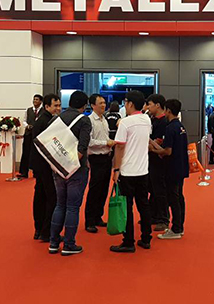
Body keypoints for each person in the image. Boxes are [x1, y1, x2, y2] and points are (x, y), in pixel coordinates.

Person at [49, 91, 92, 256]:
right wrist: (72, 164)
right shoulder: (84, 120)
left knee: (60, 204)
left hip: (58, 168)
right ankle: (69, 244)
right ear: (84, 105)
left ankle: (53, 243)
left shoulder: (56, 119)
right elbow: (82, 147)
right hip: (76, 169)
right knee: (72, 207)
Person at [110, 91, 153, 253]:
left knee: (126, 207)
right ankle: (146, 238)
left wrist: (116, 169)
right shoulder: (147, 120)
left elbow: (119, 147)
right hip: (143, 170)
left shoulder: (126, 123)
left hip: (127, 171)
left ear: (130, 104)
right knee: (144, 205)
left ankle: (128, 241)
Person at [151, 99, 189, 240]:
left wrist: (153, 149)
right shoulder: (180, 126)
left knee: (173, 198)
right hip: (181, 166)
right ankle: (179, 226)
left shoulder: (170, 128)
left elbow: (167, 151)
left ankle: (176, 228)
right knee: (179, 197)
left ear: (168, 110)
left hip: (172, 168)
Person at [30, 93, 61, 242]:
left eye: (59, 105)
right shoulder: (48, 121)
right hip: (45, 165)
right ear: (47, 106)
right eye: (55, 105)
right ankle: (46, 231)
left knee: (40, 196)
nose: (58, 108)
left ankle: (39, 229)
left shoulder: (42, 119)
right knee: (51, 198)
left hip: (39, 164)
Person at [84, 94, 115, 233]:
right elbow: (89, 142)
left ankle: (98, 216)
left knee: (103, 190)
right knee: (95, 190)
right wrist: (106, 143)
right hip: (96, 158)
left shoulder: (104, 119)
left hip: (107, 157)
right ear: (92, 105)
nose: (103, 105)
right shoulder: (90, 120)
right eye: (100, 103)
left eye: (104, 102)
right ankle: (89, 220)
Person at [146, 94, 170, 232]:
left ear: (157, 105)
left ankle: (163, 219)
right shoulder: (152, 120)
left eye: (149, 104)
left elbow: (160, 142)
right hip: (151, 159)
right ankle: (154, 215)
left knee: (160, 190)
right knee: (153, 189)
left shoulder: (164, 122)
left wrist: (150, 145)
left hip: (160, 160)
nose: (148, 107)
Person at [18, 94, 43, 179]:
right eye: (34, 99)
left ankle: (36, 172)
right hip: (28, 134)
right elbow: (24, 120)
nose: (35, 101)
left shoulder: (43, 111)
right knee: (26, 152)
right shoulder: (28, 110)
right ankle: (23, 172)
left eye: (37, 99)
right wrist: (27, 126)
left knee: (37, 154)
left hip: (38, 135)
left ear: (40, 101)